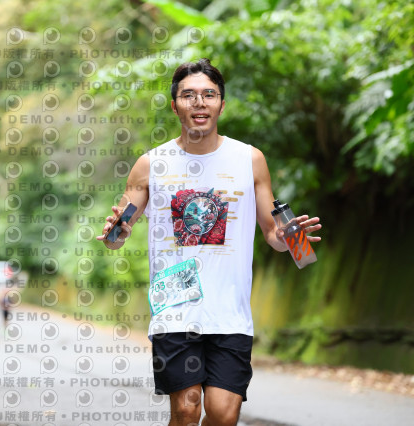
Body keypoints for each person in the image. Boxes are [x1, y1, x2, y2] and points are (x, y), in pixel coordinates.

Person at [96, 58, 322, 426]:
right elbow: (119, 231)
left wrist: (286, 235)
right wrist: (114, 233)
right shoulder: (151, 165)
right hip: (175, 307)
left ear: (221, 104)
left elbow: (273, 236)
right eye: (188, 95)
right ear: (175, 106)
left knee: (223, 413)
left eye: (209, 95)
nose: (199, 102)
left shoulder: (249, 160)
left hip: (230, 311)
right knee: (186, 411)